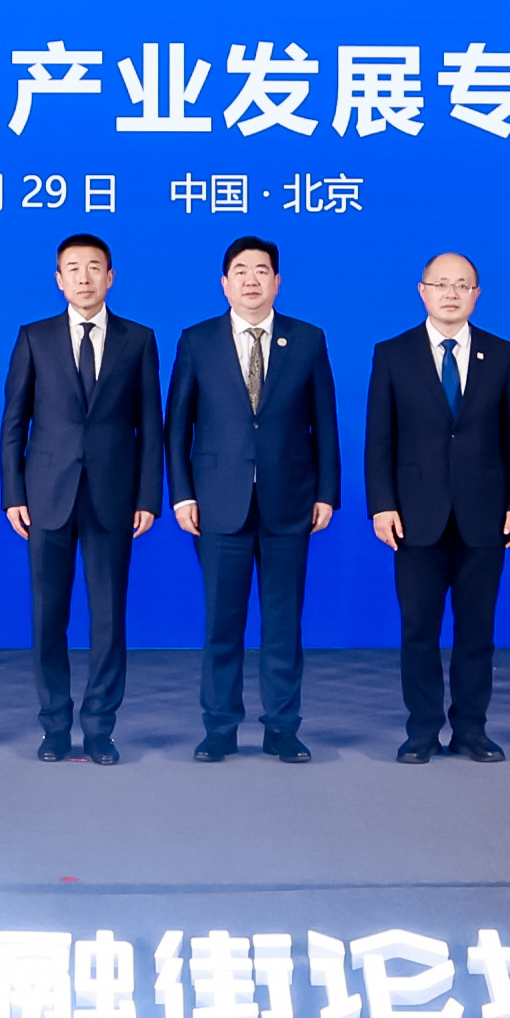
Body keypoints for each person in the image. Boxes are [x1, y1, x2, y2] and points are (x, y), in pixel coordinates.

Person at [164, 236, 342, 763]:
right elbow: (177, 427)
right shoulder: (197, 340)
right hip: (218, 504)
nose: (250, 280)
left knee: (283, 624)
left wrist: (326, 492)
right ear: (224, 283)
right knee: (222, 623)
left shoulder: (307, 339)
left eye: (261, 270)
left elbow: (325, 423)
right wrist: (182, 496)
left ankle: (282, 728)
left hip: (291, 502)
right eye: (240, 271)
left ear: (277, 282)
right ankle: (219, 727)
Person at [0, 232, 163, 764]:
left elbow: (151, 427)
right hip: (46, 496)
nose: (84, 277)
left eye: (94, 268)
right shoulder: (34, 337)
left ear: (110, 277)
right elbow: (13, 423)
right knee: (48, 617)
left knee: (108, 619)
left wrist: (148, 496)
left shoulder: (138, 339)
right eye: (73, 268)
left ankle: (99, 729)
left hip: (114, 497)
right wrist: (13, 493)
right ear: (59, 279)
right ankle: (54, 726)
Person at [363, 252, 510, 763]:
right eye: (442, 284)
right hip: (415, 517)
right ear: (423, 291)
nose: (452, 293)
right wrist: (382, 505)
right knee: (419, 630)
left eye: (463, 285)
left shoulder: (502, 354)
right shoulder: (393, 353)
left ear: (477, 295)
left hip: (485, 514)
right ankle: (421, 730)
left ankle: (471, 729)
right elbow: (379, 439)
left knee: (476, 631)